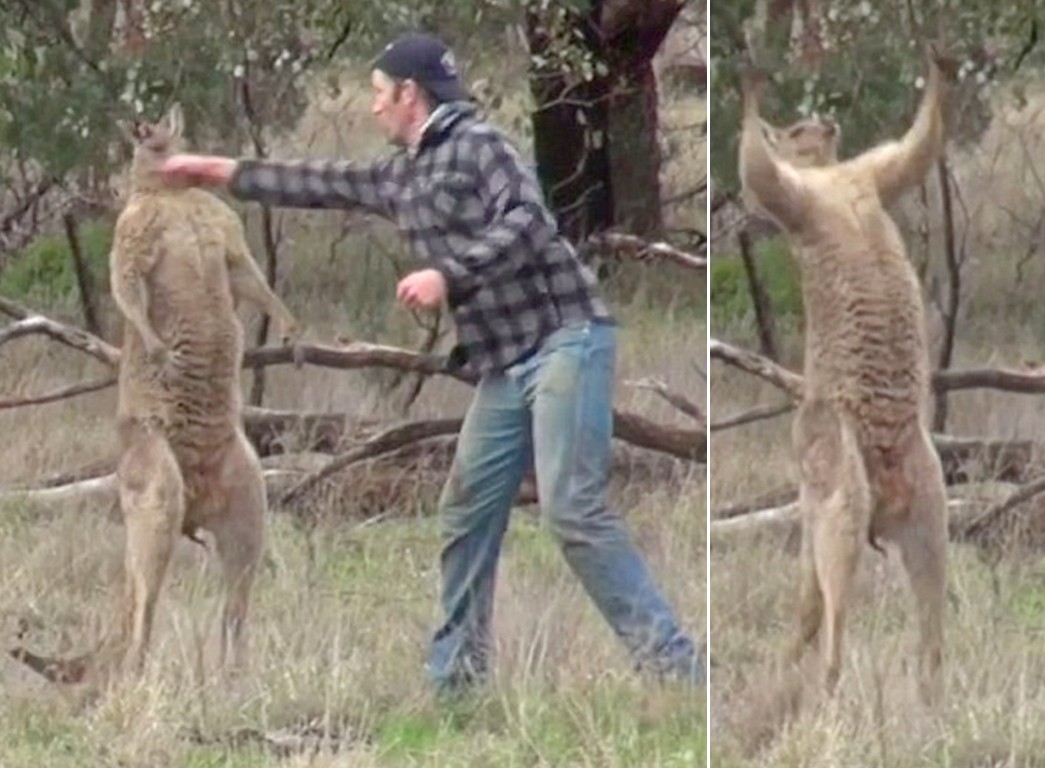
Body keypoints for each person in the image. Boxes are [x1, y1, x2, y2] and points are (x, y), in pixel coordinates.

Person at [155, 31, 702, 694]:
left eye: (380, 95)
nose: (373, 108)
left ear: (411, 96)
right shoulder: (402, 173)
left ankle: (678, 673)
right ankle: (457, 686)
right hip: (504, 365)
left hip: (565, 340)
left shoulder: (481, 147)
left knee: (572, 510)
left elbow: (529, 221)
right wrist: (218, 171)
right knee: (467, 512)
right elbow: (321, 182)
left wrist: (448, 272)